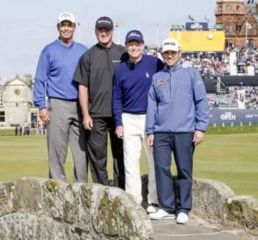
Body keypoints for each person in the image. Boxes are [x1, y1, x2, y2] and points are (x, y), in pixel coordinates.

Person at [146, 38, 209, 224]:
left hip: (185, 131)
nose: (170, 56)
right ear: (163, 55)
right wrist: (150, 131)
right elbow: (152, 105)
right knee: (161, 169)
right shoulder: (158, 77)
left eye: (173, 53)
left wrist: (200, 128)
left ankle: (183, 208)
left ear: (179, 53)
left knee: (184, 170)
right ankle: (166, 207)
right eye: (167, 53)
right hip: (161, 132)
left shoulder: (191, 74)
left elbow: (201, 102)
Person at [33, 12, 88, 182]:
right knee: (57, 151)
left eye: (69, 25)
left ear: (74, 27)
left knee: (81, 153)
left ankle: (81, 189)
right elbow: (40, 78)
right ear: (58, 28)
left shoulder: (83, 50)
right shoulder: (49, 50)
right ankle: (58, 191)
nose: (66, 28)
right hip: (57, 104)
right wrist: (41, 105)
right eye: (63, 25)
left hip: (80, 105)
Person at [112, 30, 164, 211]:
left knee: (152, 160)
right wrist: (118, 123)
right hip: (128, 118)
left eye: (137, 44)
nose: (134, 47)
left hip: (150, 119)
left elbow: (165, 81)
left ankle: (153, 200)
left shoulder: (154, 63)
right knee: (131, 162)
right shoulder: (120, 69)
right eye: (131, 44)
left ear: (142, 45)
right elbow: (117, 98)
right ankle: (134, 201)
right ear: (126, 46)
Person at [74, 16, 126, 189]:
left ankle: (120, 192)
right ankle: (101, 193)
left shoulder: (123, 53)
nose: (103, 33)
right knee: (98, 158)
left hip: (120, 116)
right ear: (96, 32)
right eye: (100, 30)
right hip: (96, 115)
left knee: (120, 156)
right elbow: (82, 87)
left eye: (107, 30)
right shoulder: (87, 56)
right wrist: (86, 114)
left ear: (112, 31)